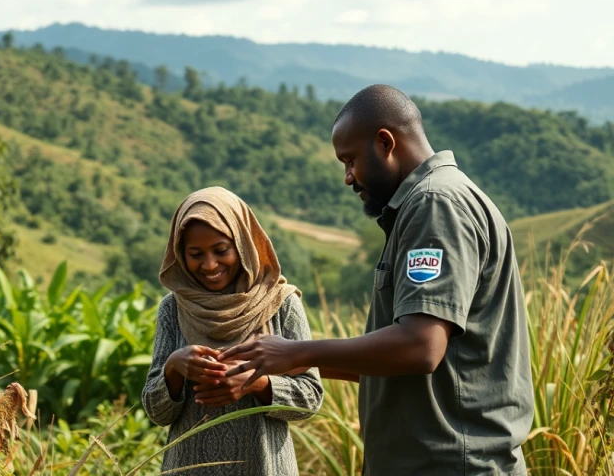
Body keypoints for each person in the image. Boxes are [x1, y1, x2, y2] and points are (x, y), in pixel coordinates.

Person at [218, 84, 535, 475]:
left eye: (350, 161)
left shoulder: (435, 204)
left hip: (450, 465)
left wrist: (301, 352)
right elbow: (394, 359)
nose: (348, 178)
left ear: (385, 142)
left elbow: (421, 348)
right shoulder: (424, 206)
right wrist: (277, 360)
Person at [141, 186, 324, 475]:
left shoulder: (280, 303)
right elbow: (157, 411)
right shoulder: (174, 309)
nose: (209, 264)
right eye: (195, 254)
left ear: (242, 245)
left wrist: (256, 383)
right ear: (180, 253)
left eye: (221, 250)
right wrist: (175, 367)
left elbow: (310, 399)